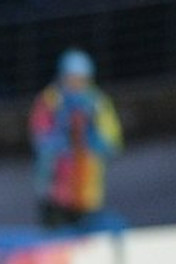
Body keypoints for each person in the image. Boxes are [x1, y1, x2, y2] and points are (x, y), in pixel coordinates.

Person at [29, 49, 123, 230]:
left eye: (80, 79)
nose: (75, 84)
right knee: (56, 243)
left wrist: (95, 142)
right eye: (71, 78)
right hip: (55, 191)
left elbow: (113, 140)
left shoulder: (97, 103)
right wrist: (60, 142)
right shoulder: (49, 100)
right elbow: (39, 136)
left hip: (87, 190)